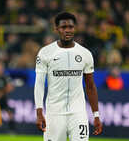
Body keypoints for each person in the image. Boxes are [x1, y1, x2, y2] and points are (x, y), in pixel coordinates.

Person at [34, 12, 103, 141]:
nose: (67, 30)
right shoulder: (45, 53)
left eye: (70, 27)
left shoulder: (85, 54)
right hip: (54, 113)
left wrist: (96, 115)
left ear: (75, 28)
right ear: (57, 29)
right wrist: (39, 111)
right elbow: (39, 84)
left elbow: (90, 86)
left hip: (78, 113)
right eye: (63, 27)